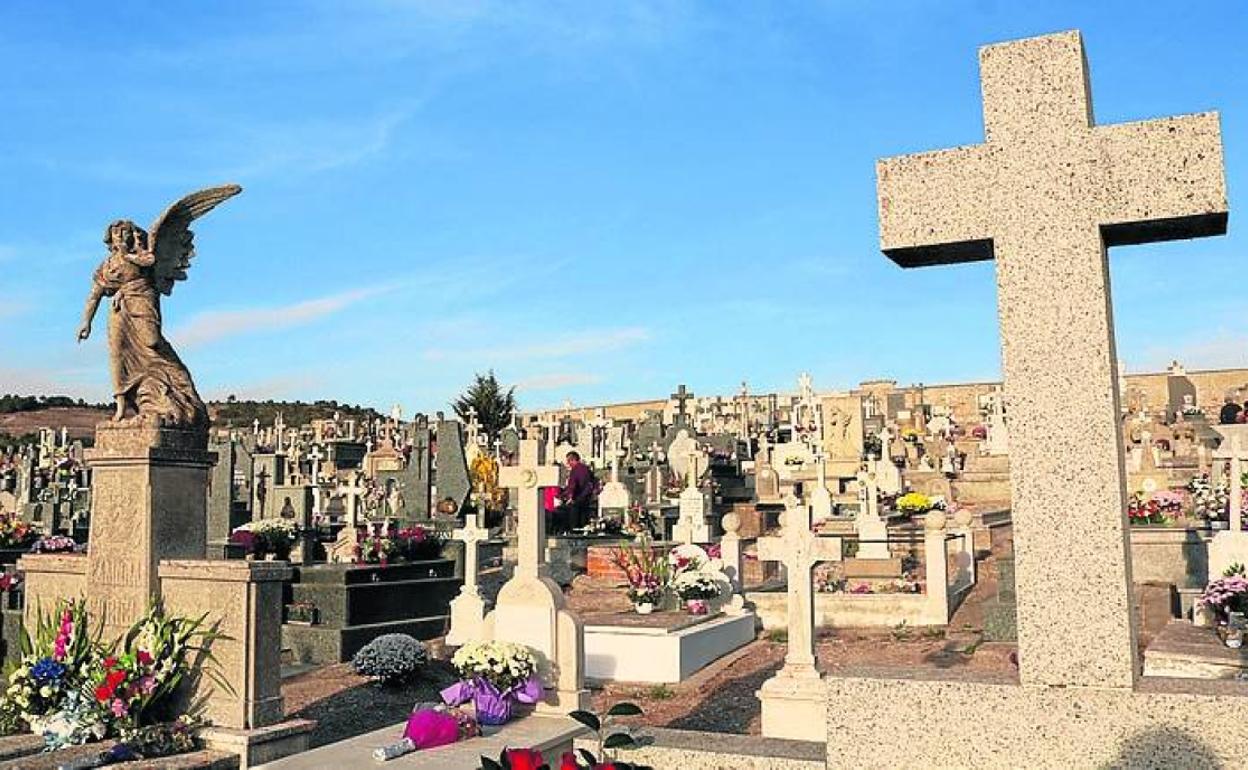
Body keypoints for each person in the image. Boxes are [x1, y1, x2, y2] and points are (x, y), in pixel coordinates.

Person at [558, 452, 596, 532]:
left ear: (573, 460)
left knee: (574, 523)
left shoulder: (575, 470)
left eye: (569, 461)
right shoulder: (586, 469)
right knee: (583, 522)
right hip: (586, 498)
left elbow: (573, 485)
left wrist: (567, 496)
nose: (568, 463)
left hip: (577, 499)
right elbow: (592, 483)